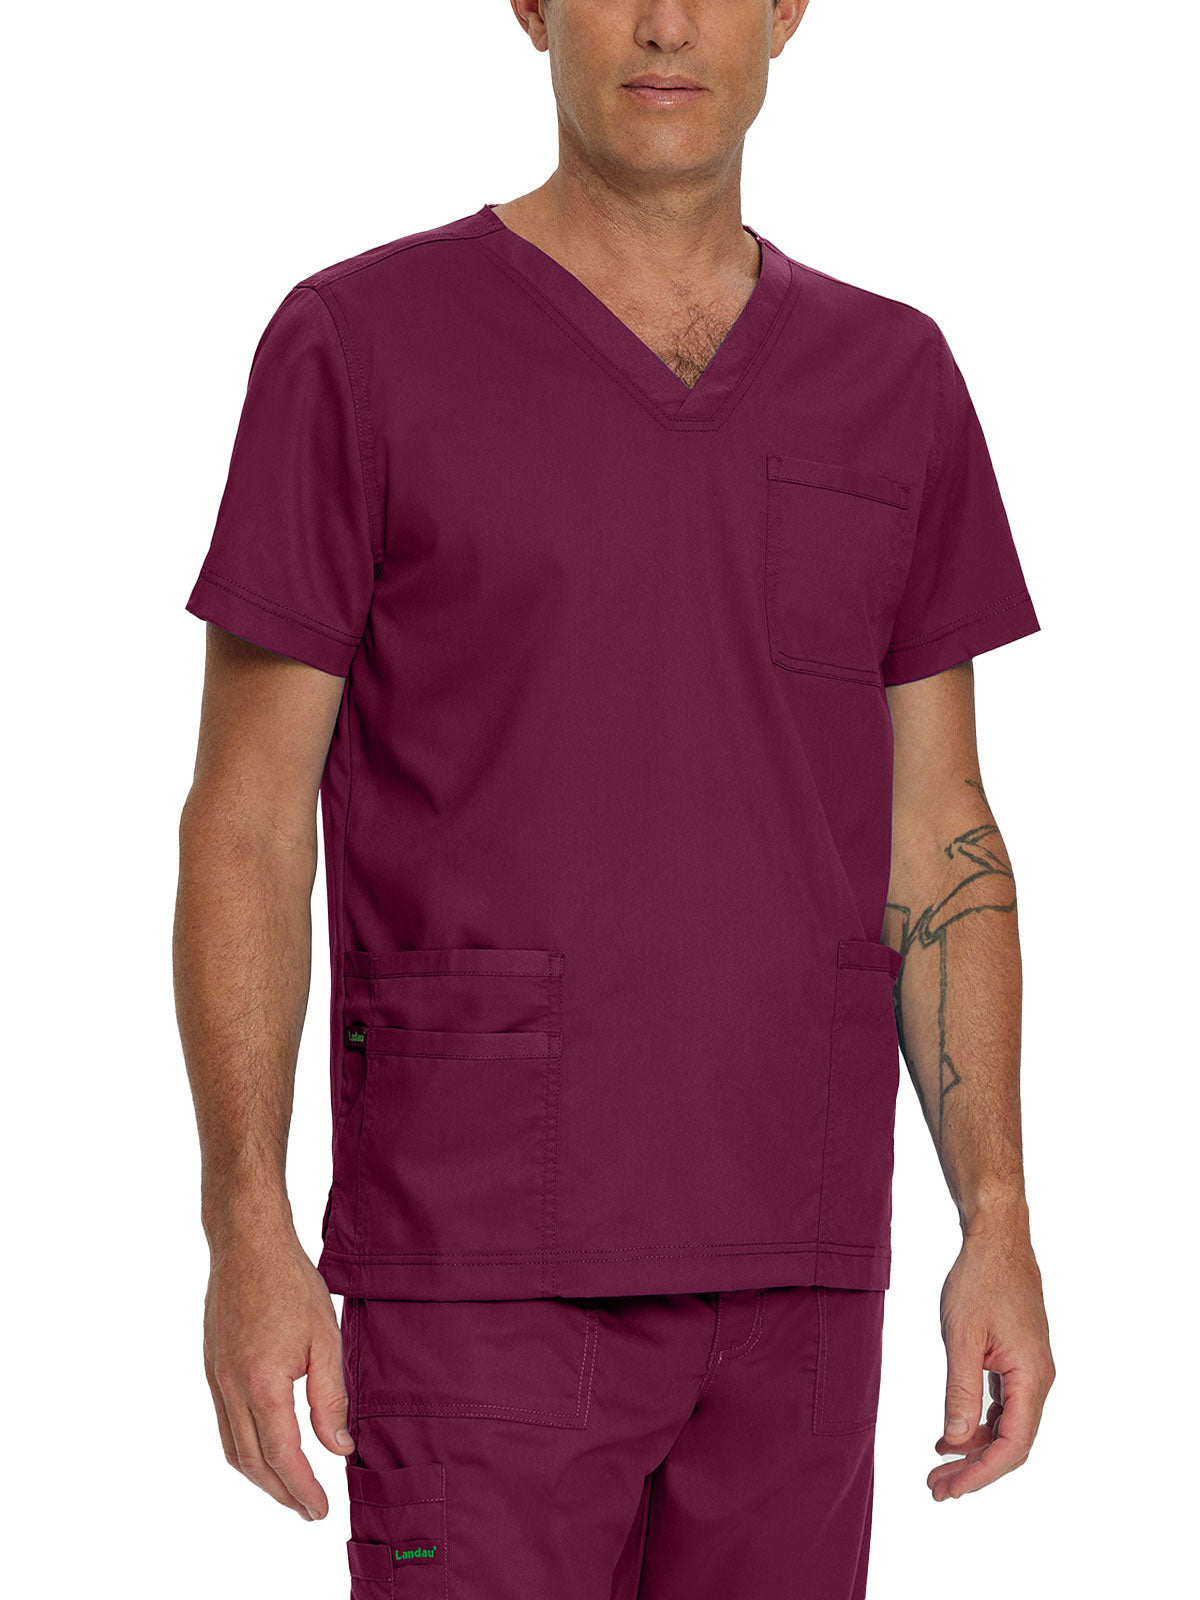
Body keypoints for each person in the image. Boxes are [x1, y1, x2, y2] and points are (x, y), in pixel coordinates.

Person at [174, 2, 1055, 1595]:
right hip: (479, 1261)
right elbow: (246, 819)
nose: (664, 23)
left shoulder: (894, 378)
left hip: (798, 1270)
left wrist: (995, 1213)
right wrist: (247, 1225)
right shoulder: (360, 345)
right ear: (530, 6)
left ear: (788, 11)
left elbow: (941, 833)